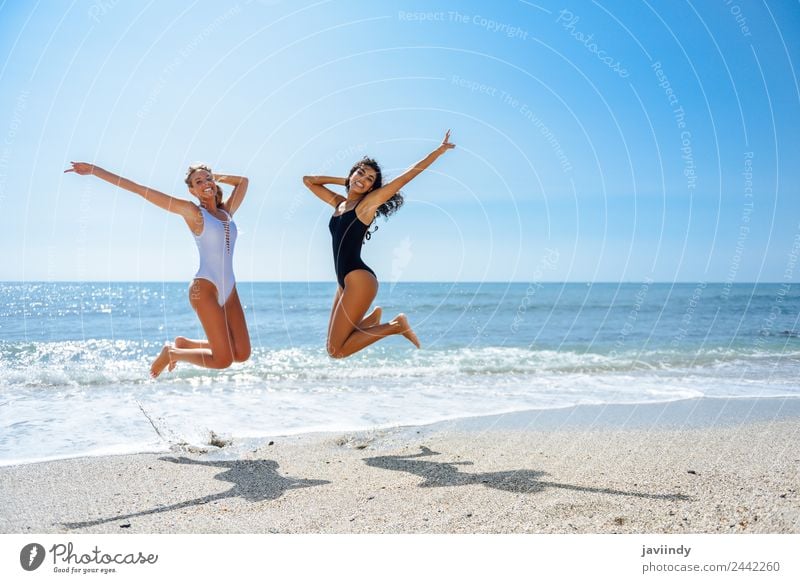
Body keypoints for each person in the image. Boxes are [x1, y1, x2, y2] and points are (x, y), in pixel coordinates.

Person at [64, 161, 251, 377]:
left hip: (229, 288)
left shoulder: (226, 212)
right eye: (197, 182)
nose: (205, 183)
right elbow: (141, 191)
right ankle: (172, 353)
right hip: (205, 289)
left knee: (241, 353)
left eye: (208, 179)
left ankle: (185, 344)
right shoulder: (193, 212)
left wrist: (212, 176)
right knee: (222, 360)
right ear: (191, 190)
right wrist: (95, 171)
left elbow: (243, 182)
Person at [303, 130, 455, 359]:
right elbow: (309, 181)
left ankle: (396, 326)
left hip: (359, 280)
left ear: (373, 189)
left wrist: (438, 151)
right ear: (352, 172)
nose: (362, 180)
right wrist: (345, 181)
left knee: (337, 351)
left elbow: (407, 176)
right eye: (360, 174)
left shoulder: (367, 205)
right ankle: (373, 321)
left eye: (369, 180)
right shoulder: (340, 204)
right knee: (331, 347)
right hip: (344, 283)